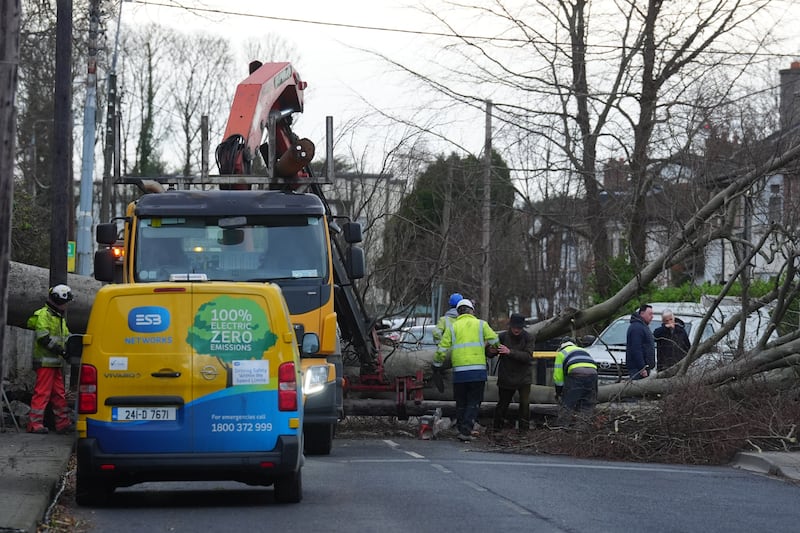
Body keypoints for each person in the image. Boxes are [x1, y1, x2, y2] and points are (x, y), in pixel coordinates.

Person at [432, 299, 505, 442]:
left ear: (458, 312)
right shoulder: (481, 324)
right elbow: (495, 340)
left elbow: (441, 349)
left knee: (461, 402)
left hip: (459, 372)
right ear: (472, 310)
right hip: (477, 371)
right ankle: (465, 431)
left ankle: (460, 429)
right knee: (473, 402)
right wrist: (495, 348)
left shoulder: (453, 327)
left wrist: (436, 364)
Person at [26, 284, 75, 434]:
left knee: (59, 394)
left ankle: (63, 423)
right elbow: (43, 338)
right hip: (45, 362)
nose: (67, 305)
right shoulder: (44, 315)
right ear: (59, 300)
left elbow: (66, 336)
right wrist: (62, 351)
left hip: (54, 363)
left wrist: (72, 347)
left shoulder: (58, 318)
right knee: (42, 393)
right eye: (66, 301)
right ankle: (34, 424)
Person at [492, 313, 535, 433]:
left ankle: (523, 431)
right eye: (514, 327)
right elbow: (490, 354)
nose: (516, 330)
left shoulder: (529, 337)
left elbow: (527, 356)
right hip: (506, 375)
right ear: (510, 326)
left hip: (524, 377)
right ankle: (496, 428)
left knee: (525, 404)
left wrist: (509, 352)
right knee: (503, 404)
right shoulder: (502, 336)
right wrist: (491, 350)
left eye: (519, 327)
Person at [552, 340, 598, 425]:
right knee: (586, 405)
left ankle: (561, 429)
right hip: (593, 374)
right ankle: (583, 429)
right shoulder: (582, 350)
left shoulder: (561, 353)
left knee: (568, 404)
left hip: (576, 374)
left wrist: (559, 392)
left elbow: (558, 377)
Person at [625, 304, 655, 379]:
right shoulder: (637, 328)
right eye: (650, 314)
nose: (652, 316)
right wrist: (642, 367)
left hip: (644, 367)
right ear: (642, 313)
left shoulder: (643, 327)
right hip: (638, 369)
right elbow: (636, 349)